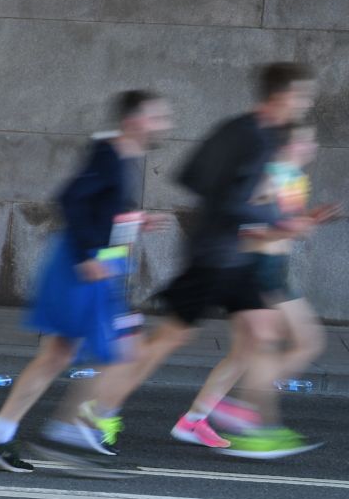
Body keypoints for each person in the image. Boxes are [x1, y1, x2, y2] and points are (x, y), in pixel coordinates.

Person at [84, 63, 318, 460]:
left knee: (261, 336)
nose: (307, 103)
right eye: (303, 96)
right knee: (166, 341)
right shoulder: (245, 135)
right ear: (281, 96)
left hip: (236, 256)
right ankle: (101, 410)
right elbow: (217, 193)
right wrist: (272, 217)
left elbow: (201, 181)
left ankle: (231, 416)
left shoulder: (261, 134)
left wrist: (258, 208)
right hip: (213, 256)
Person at [0, 91, 173, 474]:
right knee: (120, 350)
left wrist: (135, 221)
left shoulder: (121, 157)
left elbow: (97, 209)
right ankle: (70, 428)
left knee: (61, 354)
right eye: (156, 117)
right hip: (83, 266)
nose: (164, 124)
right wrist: (85, 258)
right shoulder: (109, 154)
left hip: (94, 264)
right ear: (133, 121)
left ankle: (5, 435)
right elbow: (69, 200)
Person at [178, 123, 337, 451]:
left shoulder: (293, 178)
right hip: (258, 271)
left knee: (243, 354)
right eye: (305, 139)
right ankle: (243, 409)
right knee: (306, 342)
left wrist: (306, 220)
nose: (312, 145)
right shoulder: (269, 176)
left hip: (272, 269)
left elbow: (279, 221)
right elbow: (246, 228)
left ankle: (194, 420)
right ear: (285, 145)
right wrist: (289, 230)